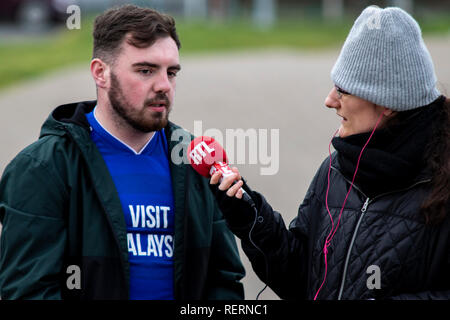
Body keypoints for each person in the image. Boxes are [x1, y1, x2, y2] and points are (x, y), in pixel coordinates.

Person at [0, 5, 245, 300]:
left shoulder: (195, 160)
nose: (164, 86)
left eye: (172, 72)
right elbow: (29, 291)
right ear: (101, 73)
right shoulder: (43, 168)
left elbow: (224, 282)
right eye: (145, 70)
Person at [209, 6, 450, 300]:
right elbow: (300, 277)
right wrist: (250, 215)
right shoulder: (335, 169)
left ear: (388, 102)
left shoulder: (442, 183)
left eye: (343, 90)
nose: (329, 100)